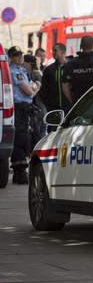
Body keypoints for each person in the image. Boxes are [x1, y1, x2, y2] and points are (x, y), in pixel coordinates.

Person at [7, 46, 41, 184]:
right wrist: (36, 87)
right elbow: (29, 91)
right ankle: (20, 172)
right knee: (22, 138)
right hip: (21, 108)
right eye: (16, 55)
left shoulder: (22, 70)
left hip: (27, 109)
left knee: (33, 137)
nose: (20, 57)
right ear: (11, 57)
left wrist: (33, 87)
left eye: (21, 54)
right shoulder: (15, 72)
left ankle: (25, 170)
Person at [62, 35, 93, 105]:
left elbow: (65, 86)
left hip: (78, 104)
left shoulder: (71, 63)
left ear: (81, 46)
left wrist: (73, 103)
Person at [40, 42, 71, 113]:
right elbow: (44, 88)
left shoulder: (71, 67)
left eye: (55, 51)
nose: (53, 53)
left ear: (63, 52)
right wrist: (48, 103)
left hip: (68, 107)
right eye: (53, 51)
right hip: (52, 108)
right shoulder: (49, 69)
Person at [23, 54, 47, 141]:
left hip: (38, 108)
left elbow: (34, 90)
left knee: (38, 134)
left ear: (28, 64)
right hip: (41, 109)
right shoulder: (38, 73)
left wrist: (34, 90)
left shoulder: (34, 75)